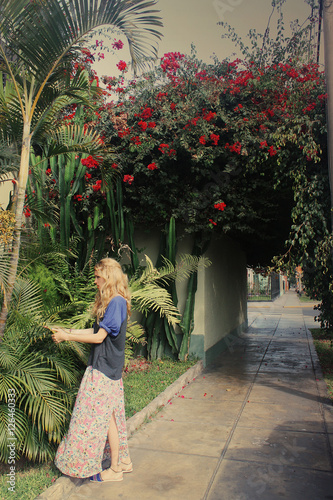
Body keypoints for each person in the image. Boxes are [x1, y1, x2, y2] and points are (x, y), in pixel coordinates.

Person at [51, 258, 133, 482]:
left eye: (98, 277)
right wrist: (67, 330)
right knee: (110, 418)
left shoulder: (116, 302)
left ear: (109, 277)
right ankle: (121, 463)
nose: (95, 281)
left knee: (104, 420)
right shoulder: (114, 302)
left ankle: (115, 470)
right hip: (105, 368)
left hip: (104, 370)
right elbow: (96, 329)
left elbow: (99, 337)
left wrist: (67, 336)